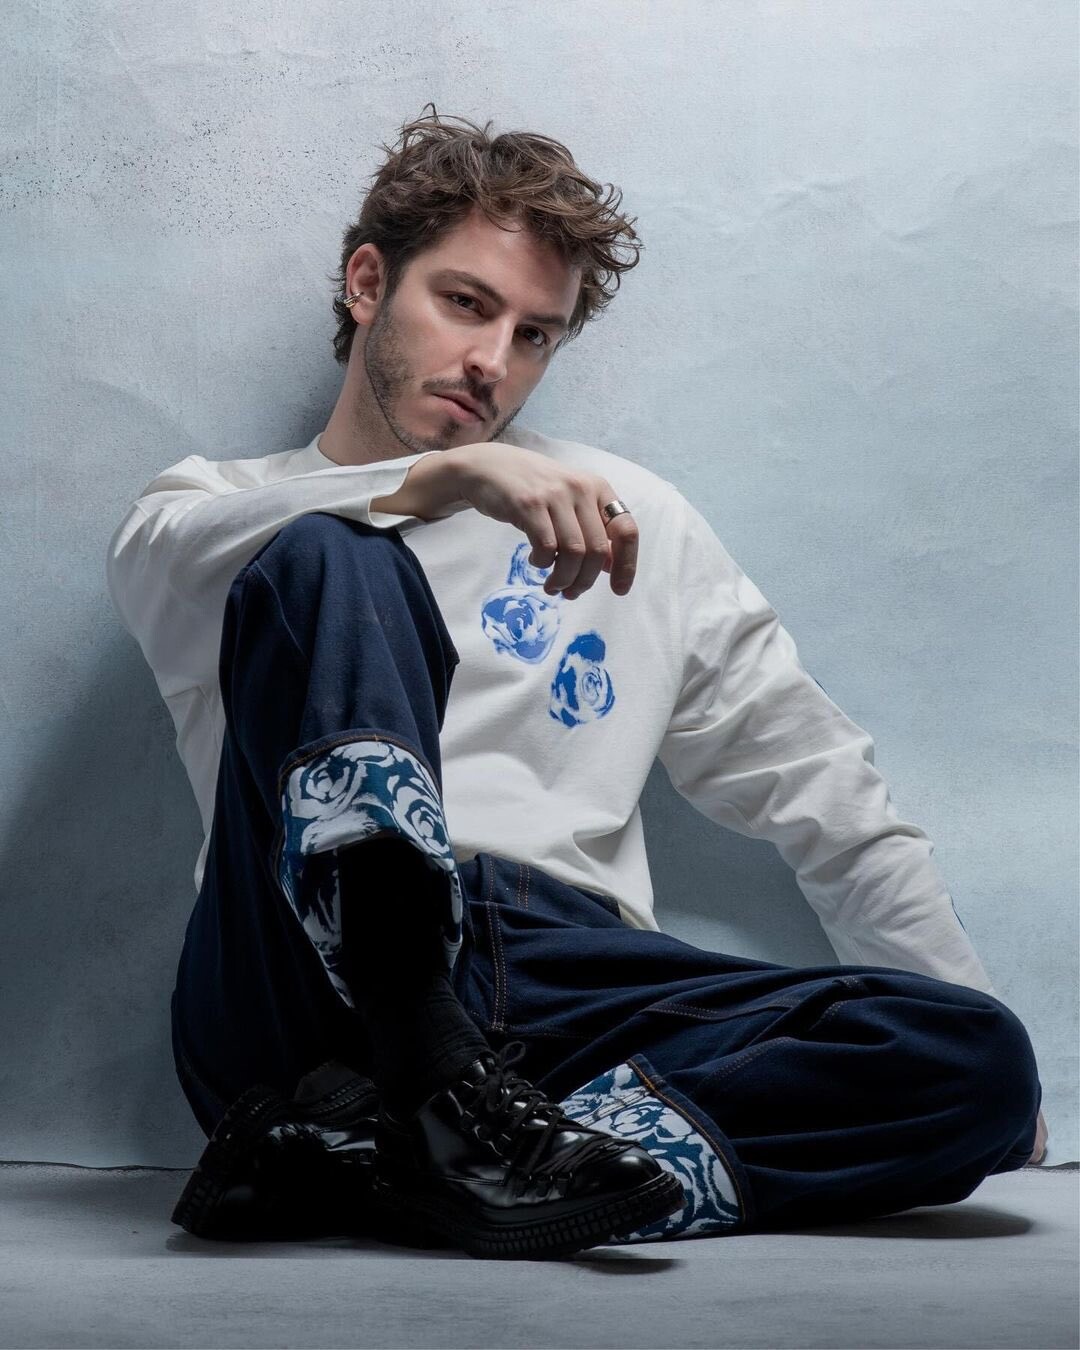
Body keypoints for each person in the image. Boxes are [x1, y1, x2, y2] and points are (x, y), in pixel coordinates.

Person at [105, 105, 1046, 1259]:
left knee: (973, 1056)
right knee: (336, 560)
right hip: (296, 983)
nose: (493, 361)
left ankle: (400, 1162)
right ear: (368, 283)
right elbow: (193, 557)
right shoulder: (216, 508)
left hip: (560, 981)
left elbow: (827, 793)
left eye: (535, 335)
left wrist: (981, 1063)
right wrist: (447, 481)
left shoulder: (632, 520)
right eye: (465, 303)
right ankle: (435, 1086)